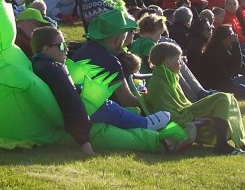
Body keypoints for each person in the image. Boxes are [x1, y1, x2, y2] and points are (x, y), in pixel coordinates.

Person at [69, 10, 174, 134]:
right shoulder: (109, 60)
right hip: (97, 114)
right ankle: (147, 124)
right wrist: (151, 103)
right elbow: (126, 100)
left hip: (75, 109)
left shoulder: (85, 49)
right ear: (117, 40)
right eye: (126, 35)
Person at [143, 41, 245, 154]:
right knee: (223, 98)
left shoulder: (169, 77)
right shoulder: (159, 83)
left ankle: (242, 143)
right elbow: (166, 113)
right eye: (178, 60)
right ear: (167, 62)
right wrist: (195, 119)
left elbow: (183, 103)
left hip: (187, 111)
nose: (180, 63)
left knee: (230, 98)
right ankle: (222, 145)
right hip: (185, 115)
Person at [30, 26, 94, 156]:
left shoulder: (36, 64)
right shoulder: (54, 70)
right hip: (91, 111)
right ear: (46, 49)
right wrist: (85, 144)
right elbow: (71, 102)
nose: (66, 49)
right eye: (61, 46)